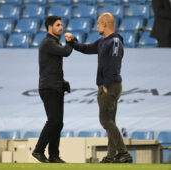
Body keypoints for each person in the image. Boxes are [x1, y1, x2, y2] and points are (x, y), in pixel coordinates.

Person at [65, 13, 132, 163]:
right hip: (108, 85)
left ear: (105, 24)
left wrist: (107, 85)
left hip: (110, 86)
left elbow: (115, 63)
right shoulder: (103, 42)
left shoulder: (114, 41)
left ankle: (123, 153)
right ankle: (111, 156)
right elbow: (86, 48)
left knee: (105, 120)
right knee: (110, 122)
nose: (97, 26)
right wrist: (72, 42)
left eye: (98, 24)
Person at [32, 16, 73, 163]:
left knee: (58, 122)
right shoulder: (48, 43)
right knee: (53, 121)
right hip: (49, 88)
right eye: (58, 25)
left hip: (55, 86)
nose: (61, 27)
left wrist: (62, 82)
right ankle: (38, 150)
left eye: (61, 25)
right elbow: (66, 52)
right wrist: (71, 42)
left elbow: (53, 67)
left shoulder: (53, 42)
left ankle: (54, 155)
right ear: (50, 27)